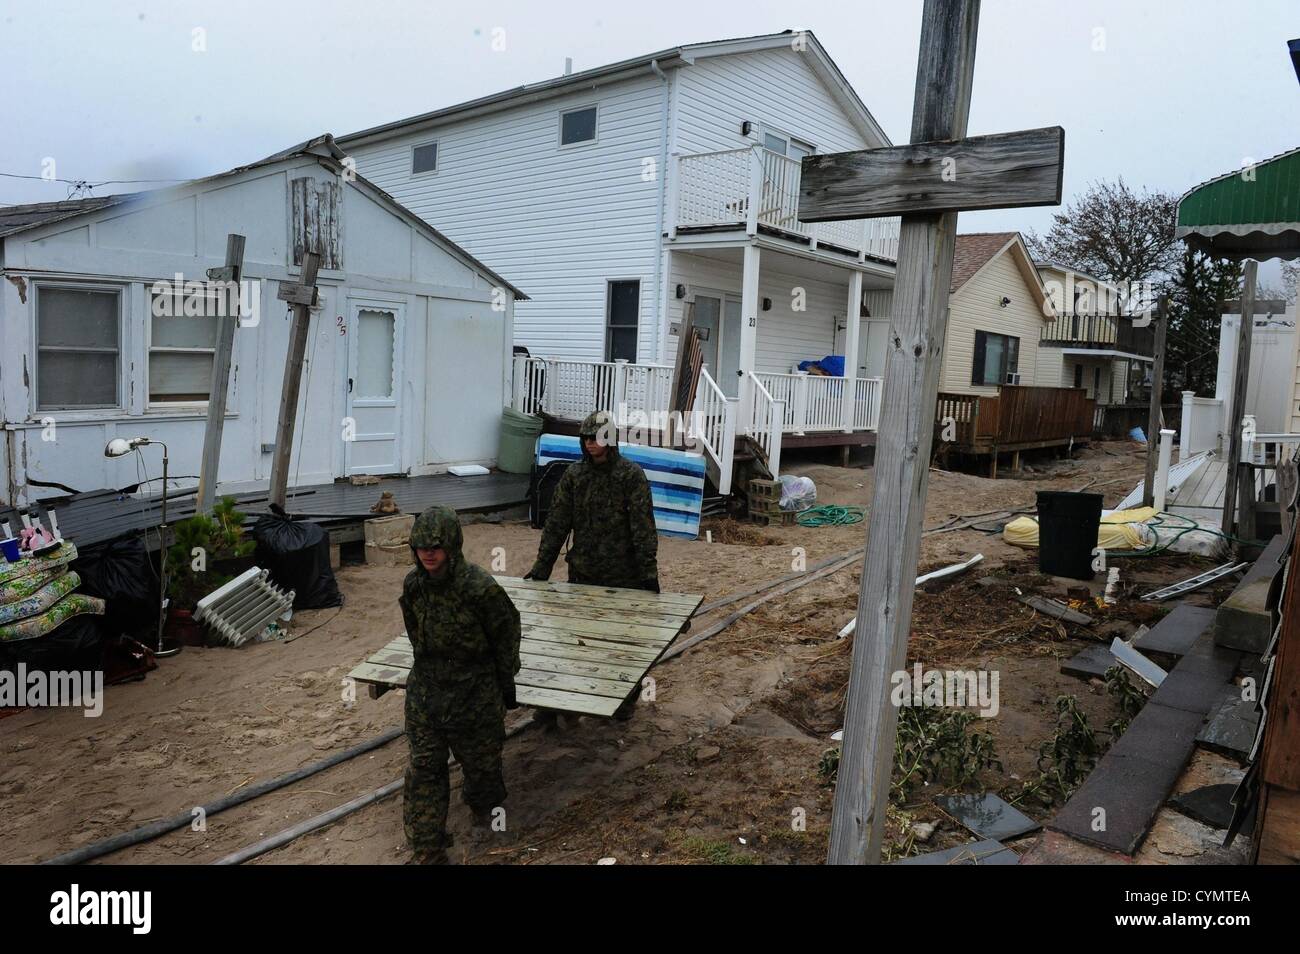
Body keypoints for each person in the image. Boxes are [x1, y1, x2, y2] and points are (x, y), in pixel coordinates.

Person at [399, 505, 521, 864]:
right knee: (424, 769)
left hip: (474, 696)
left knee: (482, 770)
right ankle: (428, 848)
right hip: (427, 694)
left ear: (452, 545)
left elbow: (506, 633)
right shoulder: (414, 585)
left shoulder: (480, 588)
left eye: (436, 546)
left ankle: (486, 810)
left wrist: (503, 684)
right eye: (422, 547)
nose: (429, 554)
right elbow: (414, 631)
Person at [526, 409, 660, 721]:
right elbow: (557, 525)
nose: (590, 444)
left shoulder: (631, 477)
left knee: (624, 643)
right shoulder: (574, 477)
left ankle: (623, 700)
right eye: (586, 438)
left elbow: (643, 529)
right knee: (574, 641)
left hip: (623, 578)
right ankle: (563, 701)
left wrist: (648, 576)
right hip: (583, 574)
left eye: (596, 438)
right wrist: (541, 569)